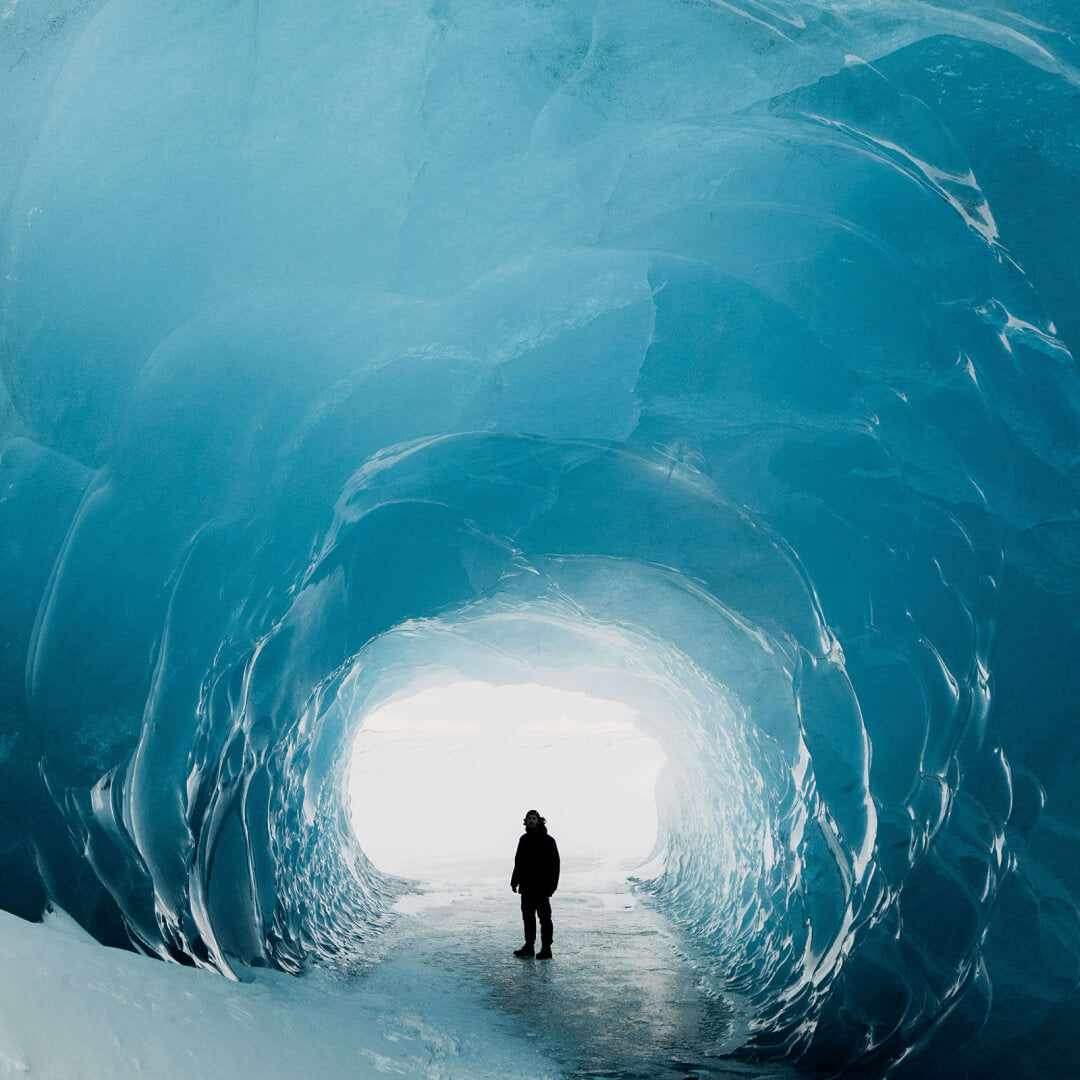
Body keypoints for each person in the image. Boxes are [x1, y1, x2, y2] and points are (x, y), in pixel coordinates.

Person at [511, 809, 560, 959]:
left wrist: (552, 887)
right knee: (528, 917)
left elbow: (555, 865)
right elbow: (518, 862)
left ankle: (546, 948)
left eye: (534, 818)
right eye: (529, 819)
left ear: (539, 821)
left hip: (542, 887)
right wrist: (514, 881)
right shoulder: (523, 839)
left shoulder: (548, 840)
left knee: (545, 919)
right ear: (526, 821)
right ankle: (529, 946)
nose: (531, 821)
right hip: (526, 886)